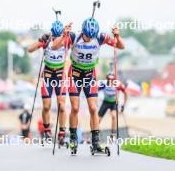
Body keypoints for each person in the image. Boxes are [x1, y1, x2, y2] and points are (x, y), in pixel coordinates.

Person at [52, 18, 124, 152]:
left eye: (91, 37)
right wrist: (63, 35)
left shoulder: (100, 37)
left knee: (93, 108)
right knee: (75, 108)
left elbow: (120, 46)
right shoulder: (74, 37)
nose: (88, 38)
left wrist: (117, 36)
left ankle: (95, 143)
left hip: (90, 75)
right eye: (86, 36)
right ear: (83, 31)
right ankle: (73, 139)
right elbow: (54, 46)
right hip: (75, 75)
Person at [27, 20, 67, 145]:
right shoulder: (47, 40)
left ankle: (62, 132)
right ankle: (47, 130)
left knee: (61, 105)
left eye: (58, 35)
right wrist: (40, 40)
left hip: (60, 76)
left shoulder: (66, 40)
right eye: (54, 35)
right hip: (48, 76)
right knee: (46, 106)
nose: (56, 38)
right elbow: (30, 49)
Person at [98, 73, 128, 139]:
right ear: (107, 79)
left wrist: (123, 106)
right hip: (105, 102)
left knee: (114, 116)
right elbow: (95, 91)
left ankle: (112, 134)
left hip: (114, 103)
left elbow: (125, 93)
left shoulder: (117, 84)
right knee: (98, 119)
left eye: (112, 80)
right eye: (109, 79)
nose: (110, 81)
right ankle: (96, 133)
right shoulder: (103, 83)